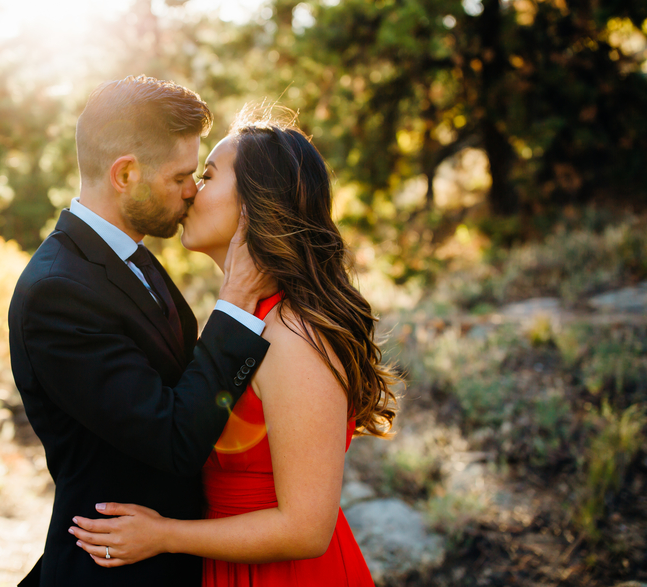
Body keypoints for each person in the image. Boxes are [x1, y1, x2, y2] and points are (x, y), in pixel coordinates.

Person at [68, 109, 400, 585]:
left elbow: (307, 530)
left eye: (206, 176)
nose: (190, 191)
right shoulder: (247, 318)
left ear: (256, 202)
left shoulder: (292, 335)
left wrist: (164, 535)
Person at [8, 77, 276, 587]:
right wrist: (237, 303)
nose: (192, 189)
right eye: (181, 175)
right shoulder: (56, 292)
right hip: (117, 570)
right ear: (125, 173)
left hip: (175, 557)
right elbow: (172, 438)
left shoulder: (130, 254)